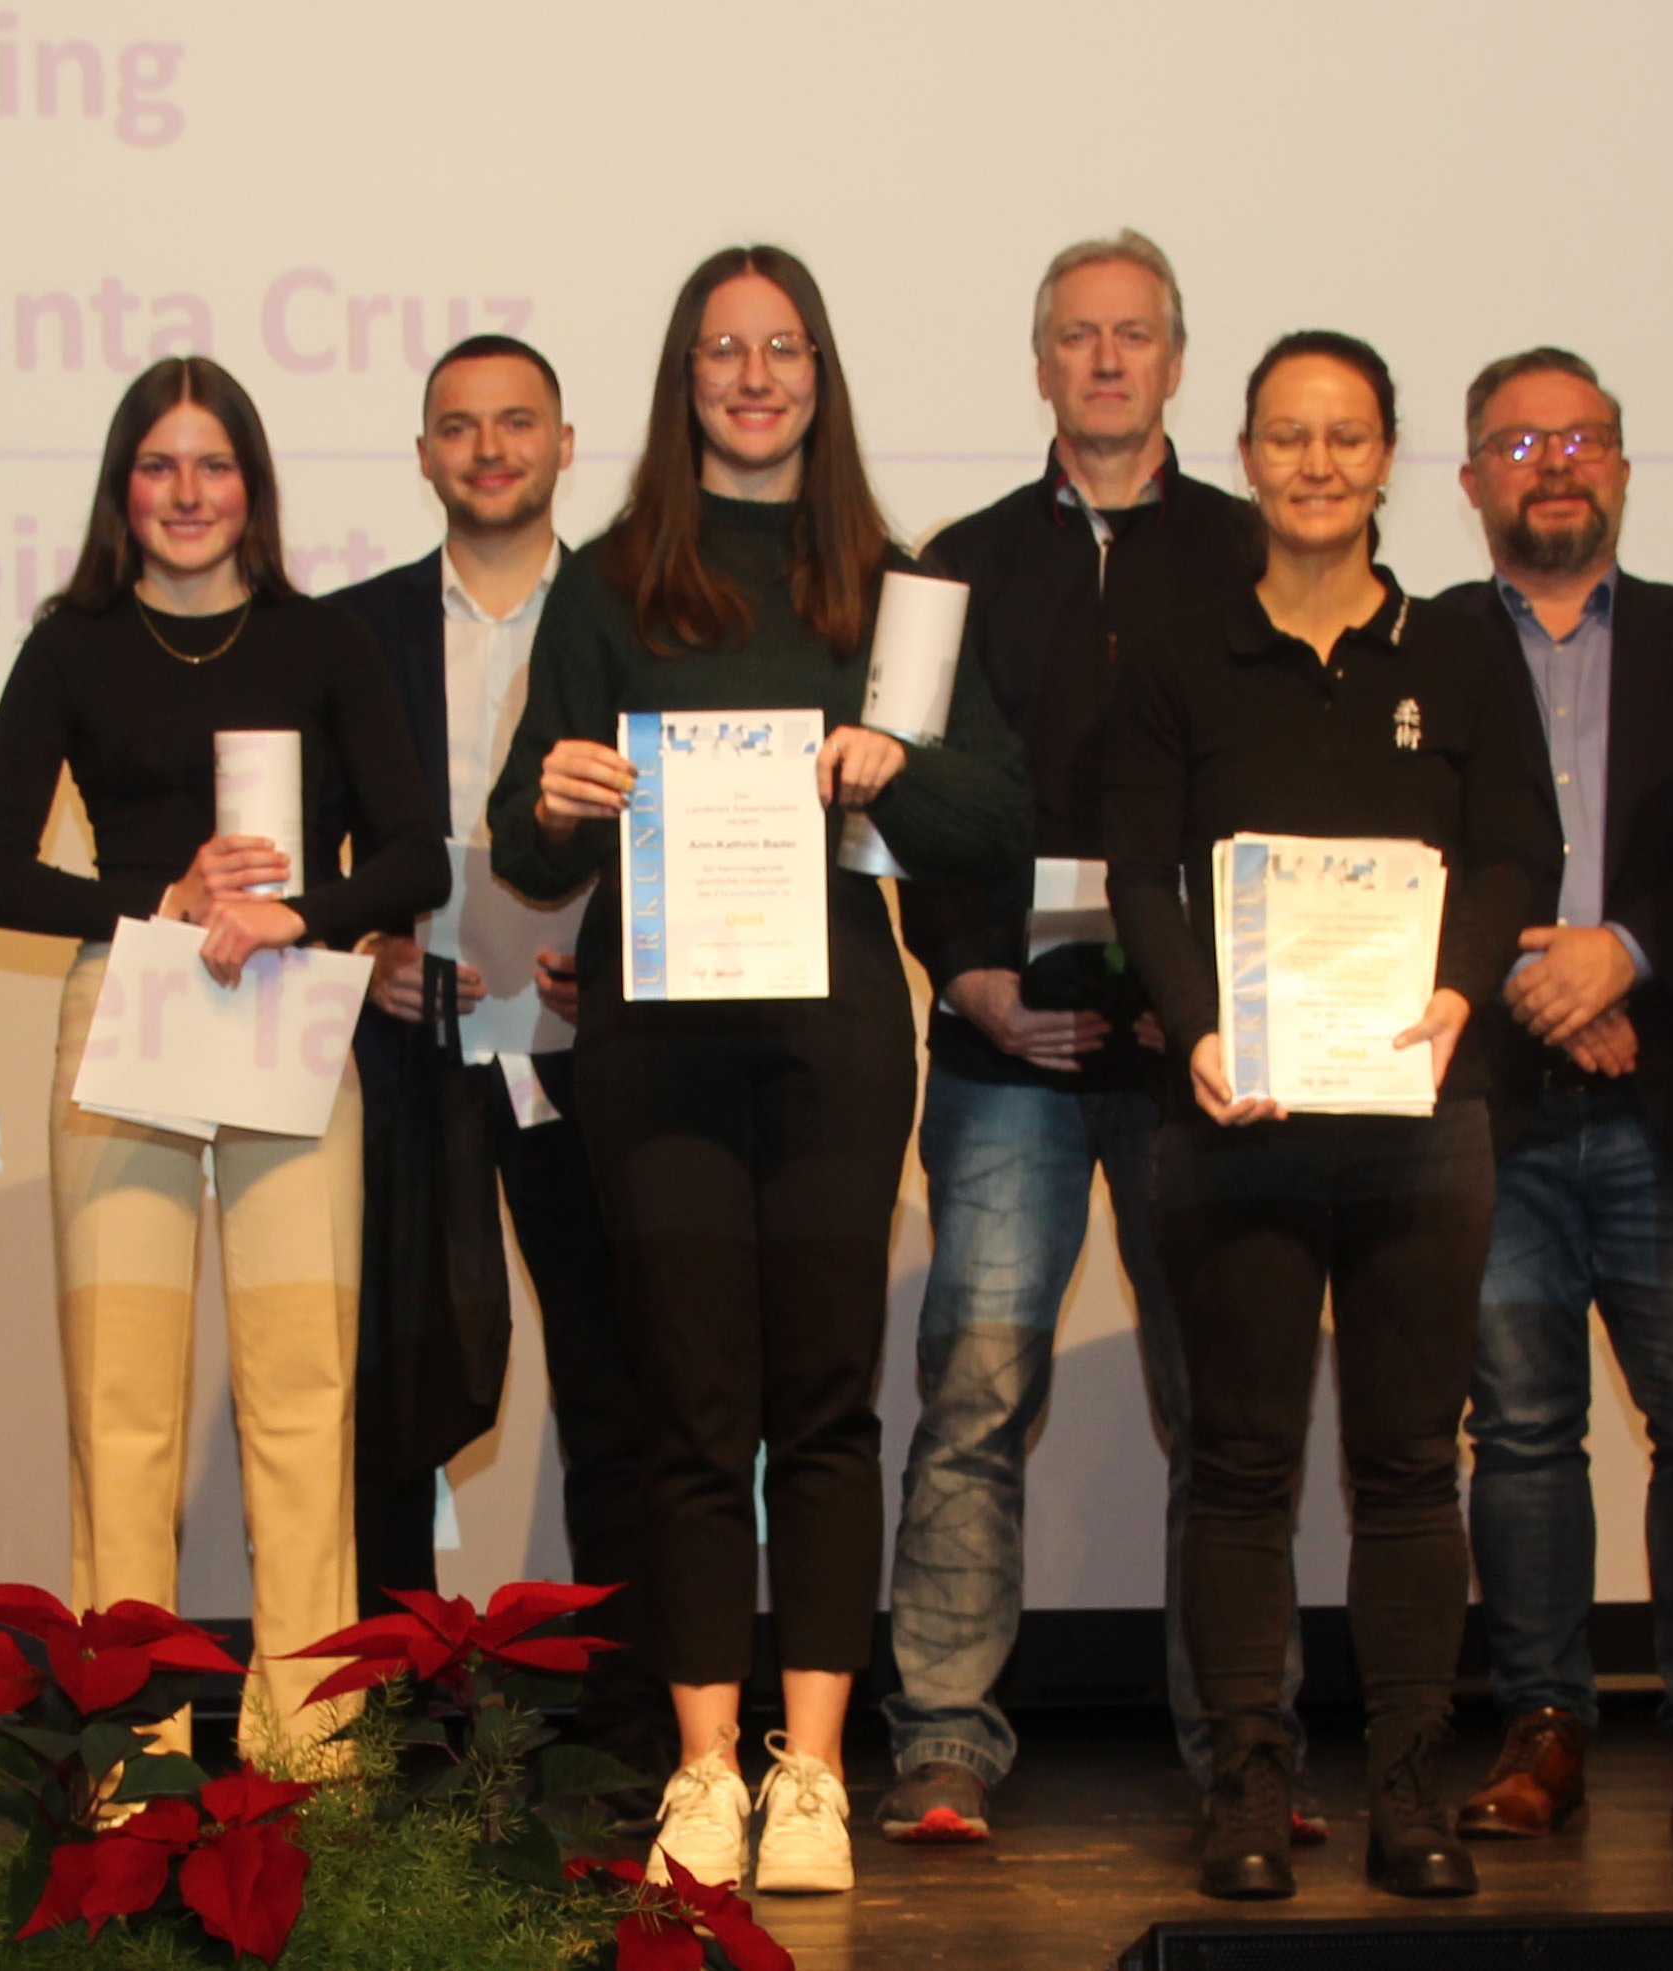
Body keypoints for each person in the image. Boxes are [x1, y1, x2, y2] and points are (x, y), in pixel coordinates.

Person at [491, 245, 1028, 1895]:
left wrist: (895, 760)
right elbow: (521, 839)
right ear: (683, 376)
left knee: (823, 1408)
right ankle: (705, 1769)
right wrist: (564, 797)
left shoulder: (892, 580)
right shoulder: (608, 582)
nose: (752, 374)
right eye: (722, 348)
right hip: (654, 1043)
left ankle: (812, 1772)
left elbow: (989, 813)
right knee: (688, 1410)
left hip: (838, 1036)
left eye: (780, 346)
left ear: (820, 372)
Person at [1105, 330, 1559, 1903]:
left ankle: (1414, 1791)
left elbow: (1517, 856)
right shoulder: (1175, 650)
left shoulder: (1461, 651)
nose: (1315, 465)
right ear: (1245, 453)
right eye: (1288, 437)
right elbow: (1141, 874)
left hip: (1421, 1109)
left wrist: (1457, 990)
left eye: (1345, 437)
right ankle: (1245, 1783)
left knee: (1408, 1468)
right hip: (1235, 1113)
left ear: (1386, 461)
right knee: (1237, 1465)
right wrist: (1201, 1030)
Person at [0, 356, 448, 1774]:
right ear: (124, 488)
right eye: (160, 465)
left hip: (289, 1016)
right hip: (127, 1018)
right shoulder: (70, 645)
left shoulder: (323, 641)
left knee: (304, 1400)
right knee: (121, 1411)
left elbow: (414, 855)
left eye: (214, 464)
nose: (189, 493)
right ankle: (138, 1755)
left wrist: (298, 913)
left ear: (254, 485)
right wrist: (158, 907)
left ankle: (312, 1753)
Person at [880, 230, 1286, 1848]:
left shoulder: (1258, 552)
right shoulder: (953, 561)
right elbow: (894, 790)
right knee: (973, 1397)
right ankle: (943, 1747)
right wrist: (963, 975)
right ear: (1038, 362)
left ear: (1178, 362)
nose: (1106, 361)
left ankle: (1234, 1745)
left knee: (1223, 1413)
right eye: (1076, 337)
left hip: (1205, 1066)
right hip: (1005, 1053)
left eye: (1135, 337)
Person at [325, 335, 674, 1773]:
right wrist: (364, 960)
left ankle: (626, 1696)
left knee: (615, 1375)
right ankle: (401, 1697)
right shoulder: (354, 630)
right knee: (399, 1379)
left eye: (515, 422)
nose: (487, 448)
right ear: (422, 456)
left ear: (566, 442)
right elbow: (312, 845)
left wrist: (632, 963)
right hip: (412, 1036)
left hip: (587, 1039)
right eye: (457, 427)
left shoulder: (634, 610)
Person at [1432, 348, 1673, 1846]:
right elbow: (1392, 853)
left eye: (1580, 439)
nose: (1552, 463)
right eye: (1517, 442)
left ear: (1624, 468)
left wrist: (1624, 958)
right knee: (1521, 1431)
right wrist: (1537, 980)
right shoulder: (1423, 643)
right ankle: (1545, 1725)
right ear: (1469, 480)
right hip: (1491, 1097)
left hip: (1670, 1100)